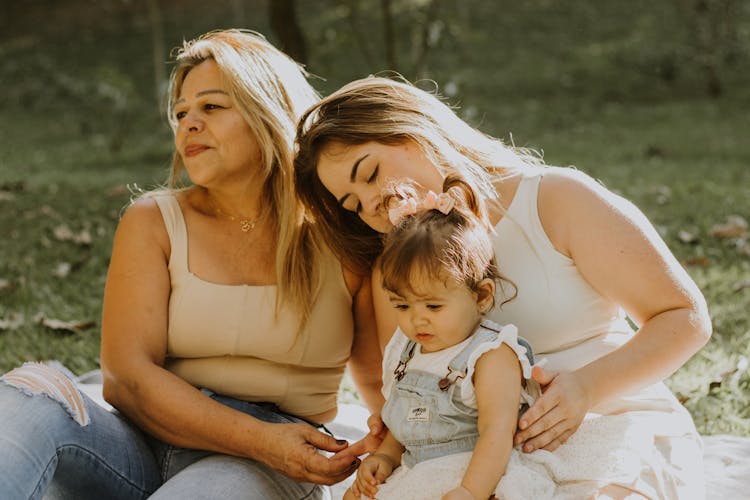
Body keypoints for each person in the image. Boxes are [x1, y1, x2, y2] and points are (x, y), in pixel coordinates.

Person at [0, 30, 383, 500]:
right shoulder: (154, 221)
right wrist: (258, 438)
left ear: (268, 109)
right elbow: (126, 378)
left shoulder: (344, 233)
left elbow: (387, 386)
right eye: (181, 113)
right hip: (140, 436)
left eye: (212, 107)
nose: (189, 124)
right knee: (25, 399)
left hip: (269, 457)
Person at [295, 76, 711, 499]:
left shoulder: (553, 199)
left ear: (411, 130)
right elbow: (407, 381)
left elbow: (685, 317)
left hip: (610, 425)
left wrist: (587, 387)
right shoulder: (397, 269)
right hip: (477, 459)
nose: (372, 206)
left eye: (370, 174)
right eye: (353, 205)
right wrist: (398, 423)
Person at [343, 180, 537, 500]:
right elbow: (405, 424)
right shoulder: (408, 351)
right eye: (402, 306)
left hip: (473, 470)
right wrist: (385, 457)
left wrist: (470, 491)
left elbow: (497, 432)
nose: (417, 319)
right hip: (416, 467)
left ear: (481, 296)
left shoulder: (490, 355)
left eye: (433, 305)